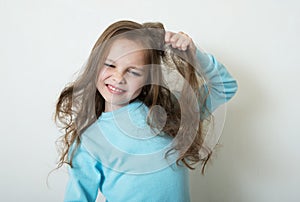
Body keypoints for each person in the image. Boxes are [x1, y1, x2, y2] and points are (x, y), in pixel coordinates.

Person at [54, 20, 238, 202]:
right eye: (110, 65)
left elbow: (226, 86)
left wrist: (194, 56)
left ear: (148, 80)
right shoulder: (89, 141)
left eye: (133, 72)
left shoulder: (170, 114)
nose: (118, 78)